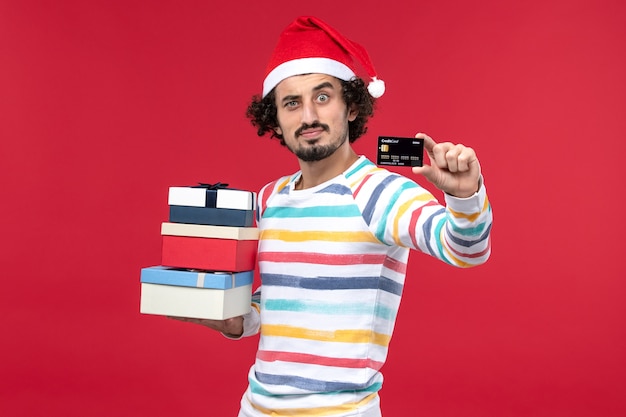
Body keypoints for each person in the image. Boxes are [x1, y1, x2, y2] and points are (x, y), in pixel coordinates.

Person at [174, 15, 492, 417]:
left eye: (322, 97)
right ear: (275, 118)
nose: (308, 116)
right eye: (292, 103)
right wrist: (236, 321)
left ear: (352, 107)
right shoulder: (269, 199)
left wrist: (464, 197)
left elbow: (466, 249)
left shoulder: (380, 193)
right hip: (255, 407)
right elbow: (274, 302)